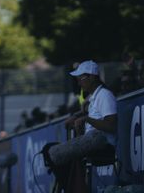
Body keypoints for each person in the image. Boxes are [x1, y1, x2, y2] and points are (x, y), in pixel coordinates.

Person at [43, 60, 117, 191]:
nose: (78, 82)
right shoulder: (94, 97)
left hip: (103, 142)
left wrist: (86, 119)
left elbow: (111, 125)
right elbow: (89, 116)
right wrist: (78, 118)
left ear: (92, 77)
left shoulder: (105, 95)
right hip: (93, 139)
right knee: (49, 150)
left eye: (81, 78)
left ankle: (71, 188)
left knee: (53, 153)